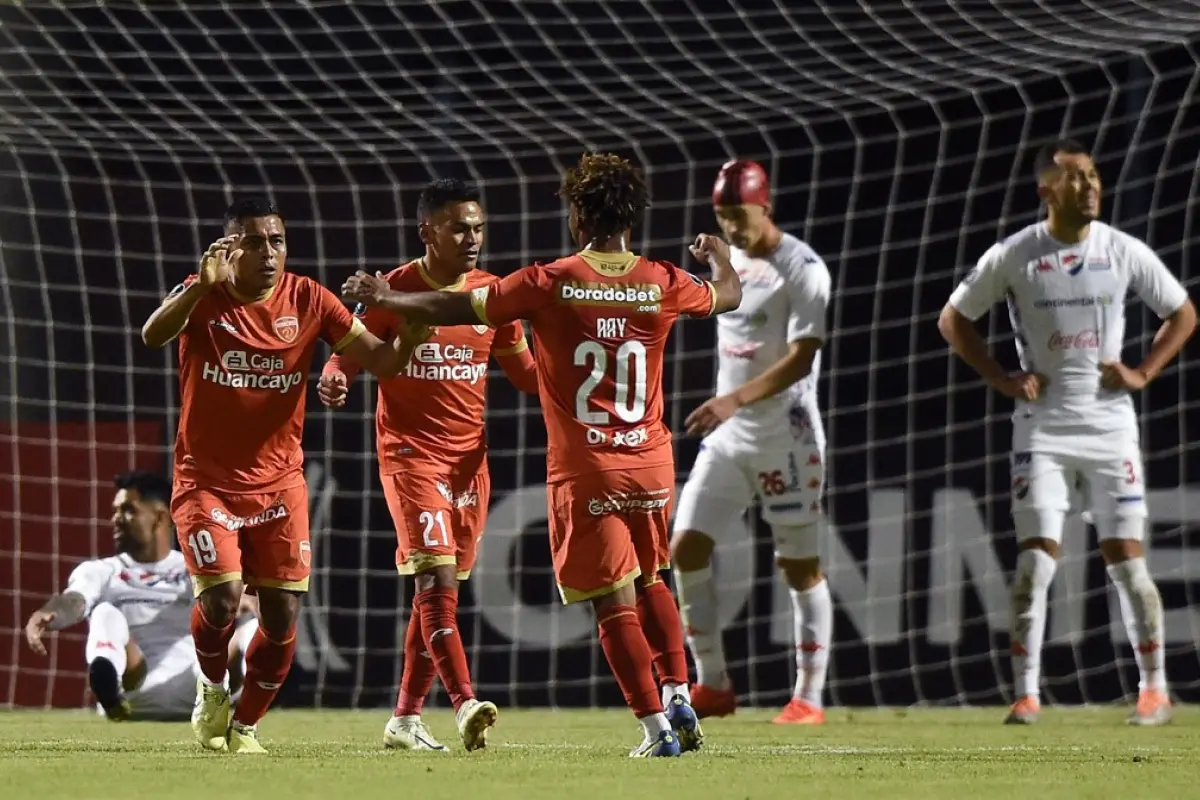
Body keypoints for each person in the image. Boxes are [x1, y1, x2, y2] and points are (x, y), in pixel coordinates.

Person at [342, 152, 742, 757]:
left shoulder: (549, 281)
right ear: (633, 214)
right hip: (652, 461)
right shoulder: (662, 280)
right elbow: (729, 297)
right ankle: (680, 691)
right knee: (655, 578)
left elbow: (458, 306)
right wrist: (723, 260)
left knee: (614, 601)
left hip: (587, 467)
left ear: (579, 214)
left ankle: (657, 729)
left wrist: (387, 298)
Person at [938, 138, 1196, 726]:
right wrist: (1002, 377)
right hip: (1043, 428)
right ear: (1046, 189)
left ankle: (1153, 691)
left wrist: (1144, 371)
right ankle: (1025, 694)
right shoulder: (1016, 254)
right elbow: (953, 319)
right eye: (1075, 177)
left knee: (1129, 564)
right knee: (1036, 567)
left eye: (1093, 176)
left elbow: (1182, 312)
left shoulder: (1122, 250)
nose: (1090, 186)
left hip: (1109, 425)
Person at [141, 197, 414, 753]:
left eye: (277, 241)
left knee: (283, 615)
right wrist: (196, 287)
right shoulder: (203, 291)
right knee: (220, 600)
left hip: (279, 480)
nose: (269, 253)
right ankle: (212, 689)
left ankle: (245, 726)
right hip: (206, 478)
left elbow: (383, 362)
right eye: (255, 242)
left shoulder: (310, 298)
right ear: (228, 247)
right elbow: (152, 335)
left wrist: (411, 320)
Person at [319, 178, 538, 752]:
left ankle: (405, 719)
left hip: (470, 463)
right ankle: (466, 701)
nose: (472, 238)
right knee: (434, 578)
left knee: (441, 593)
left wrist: (588, 380)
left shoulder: (493, 295)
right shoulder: (394, 290)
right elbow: (349, 356)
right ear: (428, 232)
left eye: (478, 227)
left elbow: (526, 376)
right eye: (459, 227)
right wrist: (335, 379)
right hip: (410, 456)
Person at [671, 160, 833, 724]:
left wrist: (734, 399)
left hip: (785, 437)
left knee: (799, 567)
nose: (733, 227)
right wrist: (717, 256)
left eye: (739, 216)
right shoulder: (732, 258)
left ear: (767, 205)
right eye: (723, 217)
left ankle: (808, 698)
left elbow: (803, 356)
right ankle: (713, 684)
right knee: (685, 547)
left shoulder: (803, 268)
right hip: (729, 438)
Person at [24, 471, 258, 721]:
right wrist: (52, 613)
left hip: (197, 684)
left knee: (252, 627)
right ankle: (110, 691)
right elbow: (75, 599)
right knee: (104, 612)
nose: (116, 519)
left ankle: (251, 707)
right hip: (134, 681)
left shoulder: (196, 570)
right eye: (115, 511)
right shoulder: (102, 571)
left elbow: (242, 600)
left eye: (128, 510)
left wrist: (242, 601)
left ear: (159, 517)